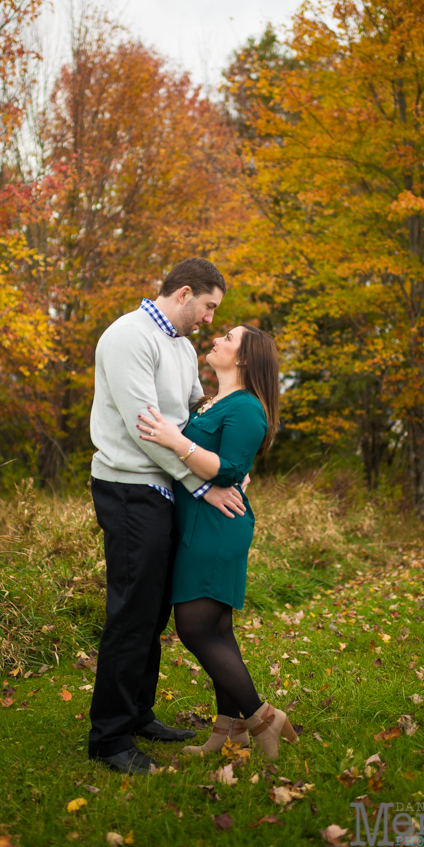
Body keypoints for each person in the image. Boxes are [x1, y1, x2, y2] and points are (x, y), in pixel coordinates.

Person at [88, 258, 248, 775]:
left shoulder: (179, 346)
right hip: (131, 487)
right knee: (133, 610)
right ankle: (110, 738)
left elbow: (190, 417)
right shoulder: (129, 337)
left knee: (154, 612)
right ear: (184, 294)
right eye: (209, 306)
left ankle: (138, 713)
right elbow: (144, 430)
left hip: (165, 489)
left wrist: (229, 466)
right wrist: (201, 483)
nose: (209, 318)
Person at [136, 324, 299, 761]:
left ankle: (263, 717)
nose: (217, 340)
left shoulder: (247, 407)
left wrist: (176, 440)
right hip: (201, 523)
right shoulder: (218, 402)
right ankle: (228, 733)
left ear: (244, 359)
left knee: (193, 627)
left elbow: (228, 469)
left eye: (228, 338)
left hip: (217, 527)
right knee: (218, 631)